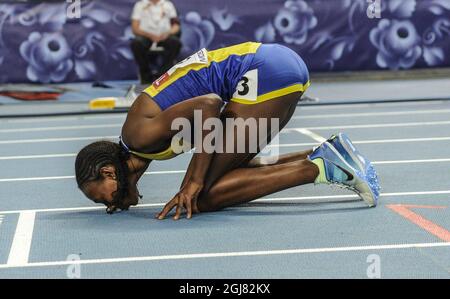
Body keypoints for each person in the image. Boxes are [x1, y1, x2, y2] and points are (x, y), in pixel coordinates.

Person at [75, 42, 380, 220]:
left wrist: (192, 183)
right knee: (222, 169)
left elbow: (208, 104)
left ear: (108, 173)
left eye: (102, 199)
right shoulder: (140, 144)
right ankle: (321, 154)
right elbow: (218, 136)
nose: (110, 206)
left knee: (202, 195)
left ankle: (321, 168)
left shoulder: (137, 137)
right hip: (275, 64)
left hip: (263, 70)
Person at [130, 0, 182, 84]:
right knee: (136, 43)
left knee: (175, 43)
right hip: (146, 36)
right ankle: (146, 75)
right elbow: (135, 28)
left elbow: (176, 25)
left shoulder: (168, 5)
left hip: (164, 36)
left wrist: (167, 33)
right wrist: (150, 35)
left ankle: (162, 75)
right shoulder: (140, 5)